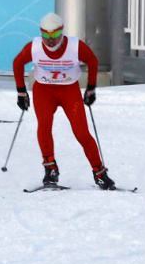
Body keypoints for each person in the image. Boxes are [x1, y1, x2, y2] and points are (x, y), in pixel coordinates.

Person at [12, 12, 115, 190]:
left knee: (81, 132)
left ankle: (99, 173)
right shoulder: (34, 47)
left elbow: (92, 60)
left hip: (69, 91)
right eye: (46, 35)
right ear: (40, 32)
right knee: (44, 126)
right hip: (44, 90)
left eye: (55, 35)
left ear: (62, 32)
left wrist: (91, 88)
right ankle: (50, 169)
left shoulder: (75, 46)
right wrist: (21, 92)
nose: (50, 40)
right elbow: (17, 63)